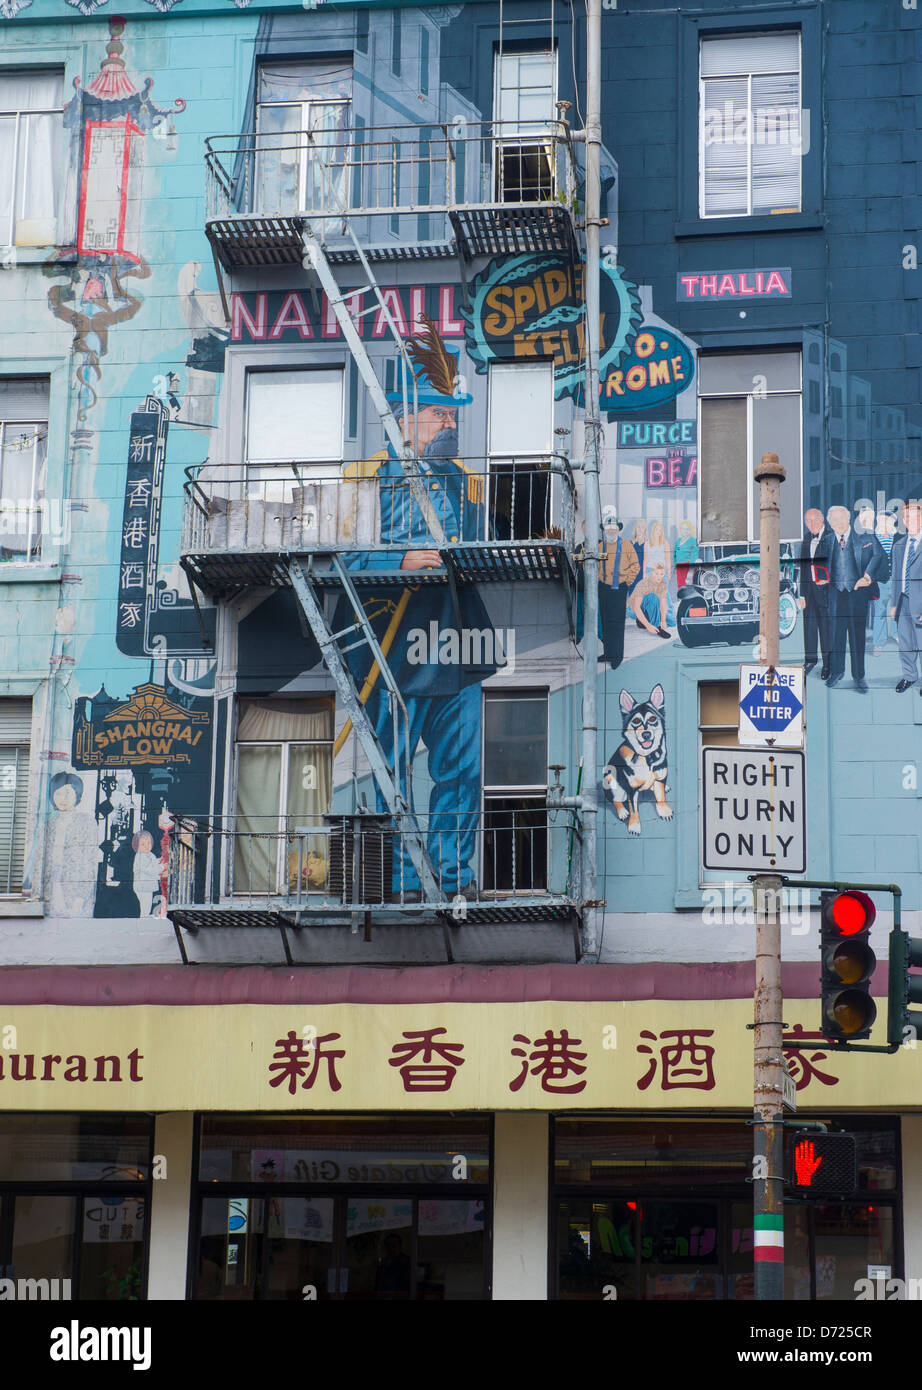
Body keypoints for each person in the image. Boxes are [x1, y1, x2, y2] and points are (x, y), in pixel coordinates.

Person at [341, 319, 493, 901]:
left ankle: (452, 877)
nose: (449, 424)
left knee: (462, 770)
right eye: (437, 413)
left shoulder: (465, 482)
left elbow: (488, 546)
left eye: (453, 415)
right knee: (393, 770)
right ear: (404, 418)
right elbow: (340, 557)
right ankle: (405, 883)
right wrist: (398, 560)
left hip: (456, 642)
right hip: (391, 645)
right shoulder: (364, 477)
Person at [825, 503, 886, 692]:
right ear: (830, 523)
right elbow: (818, 563)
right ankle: (837, 672)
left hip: (857, 594)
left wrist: (867, 576)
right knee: (836, 636)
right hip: (836, 594)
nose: (838, 523)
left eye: (841, 518)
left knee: (857, 635)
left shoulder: (865, 537)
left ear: (849, 518)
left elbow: (879, 556)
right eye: (834, 520)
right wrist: (820, 578)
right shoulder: (826, 541)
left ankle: (859, 676)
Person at [599, 506, 639, 668]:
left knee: (617, 623)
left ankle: (617, 657)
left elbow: (635, 566)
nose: (611, 531)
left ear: (618, 529)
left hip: (619, 589)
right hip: (603, 588)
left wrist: (626, 582)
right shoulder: (600, 546)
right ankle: (607, 653)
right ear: (605, 530)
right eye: (608, 528)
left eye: (613, 528)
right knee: (605, 622)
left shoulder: (627, 545)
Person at [889, 500, 922, 692]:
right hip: (903, 602)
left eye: (915, 517)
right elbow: (896, 577)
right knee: (906, 645)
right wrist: (894, 604)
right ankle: (909, 676)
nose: (911, 520)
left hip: (920, 604)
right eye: (907, 517)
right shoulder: (899, 546)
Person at [797, 507, 832, 678]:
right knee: (809, 628)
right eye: (807, 521)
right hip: (809, 591)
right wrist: (802, 594)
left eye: (814, 520)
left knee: (826, 629)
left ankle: (828, 664)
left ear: (822, 520)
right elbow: (804, 568)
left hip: (826, 591)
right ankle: (810, 660)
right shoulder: (806, 538)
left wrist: (829, 580)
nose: (811, 524)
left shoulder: (831, 537)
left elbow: (837, 564)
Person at [873, 509, 897, 652]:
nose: (885, 524)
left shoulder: (898, 538)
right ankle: (878, 642)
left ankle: (897, 635)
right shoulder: (873, 539)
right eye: (882, 521)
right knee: (880, 611)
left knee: (898, 609)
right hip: (879, 581)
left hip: (896, 580)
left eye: (888, 521)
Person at [631, 562, 672, 638]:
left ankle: (651, 622)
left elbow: (663, 603)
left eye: (662, 574)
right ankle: (656, 627)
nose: (659, 576)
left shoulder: (663, 584)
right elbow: (635, 607)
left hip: (651, 610)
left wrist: (663, 620)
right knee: (652, 596)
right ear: (652, 573)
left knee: (671, 622)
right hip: (637, 611)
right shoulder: (643, 584)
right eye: (656, 573)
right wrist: (648, 626)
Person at [673, 519, 698, 590]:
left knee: (689, 586)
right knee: (680, 586)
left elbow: (694, 555)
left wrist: (691, 570)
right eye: (683, 529)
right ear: (680, 530)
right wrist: (675, 564)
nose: (685, 531)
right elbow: (675, 553)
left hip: (688, 566)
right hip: (679, 566)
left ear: (690, 530)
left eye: (687, 529)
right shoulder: (678, 540)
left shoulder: (693, 540)